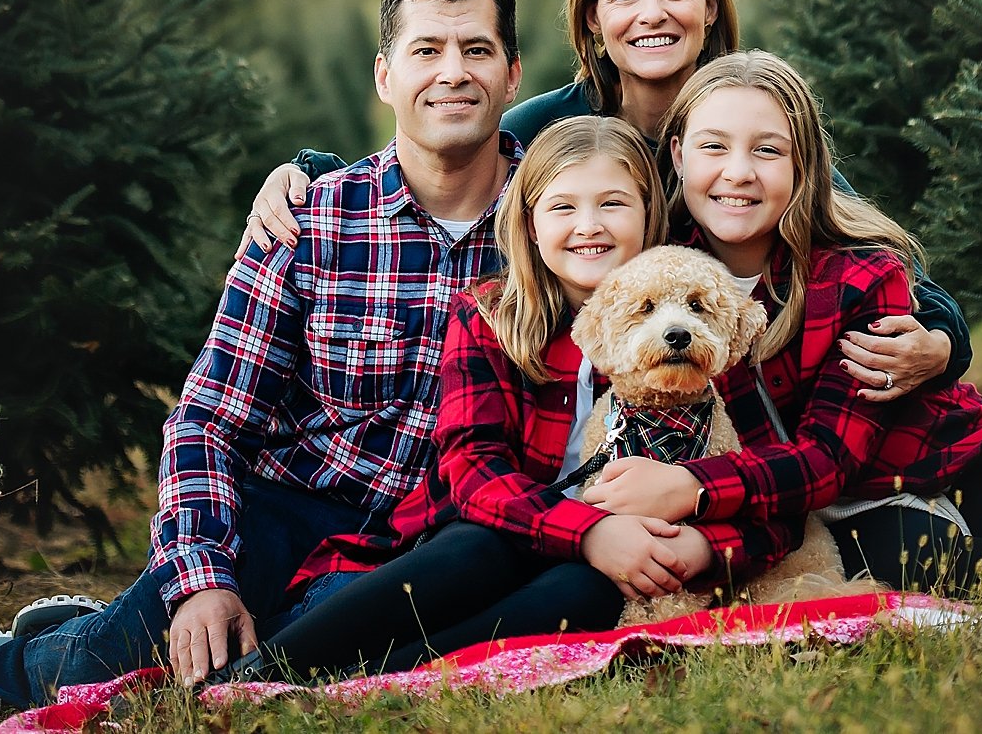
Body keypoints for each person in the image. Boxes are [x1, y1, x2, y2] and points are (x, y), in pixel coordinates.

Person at [0, 0, 528, 707]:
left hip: (442, 536)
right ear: (384, 76)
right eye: (426, 50)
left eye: (477, 50)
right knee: (111, 664)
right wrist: (202, 579)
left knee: (295, 677)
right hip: (291, 508)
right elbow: (209, 421)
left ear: (513, 74)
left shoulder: (558, 223)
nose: (453, 72)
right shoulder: (315, 220)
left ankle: (104, 624)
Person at [239, 0, 971, 408]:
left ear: (710, 6)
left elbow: (859, 239)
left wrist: (943, 342)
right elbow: (436, 161)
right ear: (594, 16)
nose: (652, 13)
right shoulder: (555, 127)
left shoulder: (747, 128)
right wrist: (308, 171)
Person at [216, 116, 804, 679]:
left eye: (614, 203)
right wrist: (588, 532)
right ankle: (261, 673)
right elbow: (472, 472)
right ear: (528, 224)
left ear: (651, 216)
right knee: (478, 547)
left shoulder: (694, 337)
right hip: (497, 534)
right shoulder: (490, 317)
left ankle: (377, 680)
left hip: (605, 565)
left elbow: (764, 497)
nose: (589, 225)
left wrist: (699, 545)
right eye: (563, 207)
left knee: (586, 592)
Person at [581, 52, 982, 597]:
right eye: (714, 147)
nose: (738, 173)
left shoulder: (859, 275)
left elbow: (829, 457)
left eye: (767, 150)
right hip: (812, 508)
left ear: (803, 163)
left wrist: (694, 487)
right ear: (679, 154)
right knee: (938, 568)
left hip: (918, 456)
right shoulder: (654, 277)